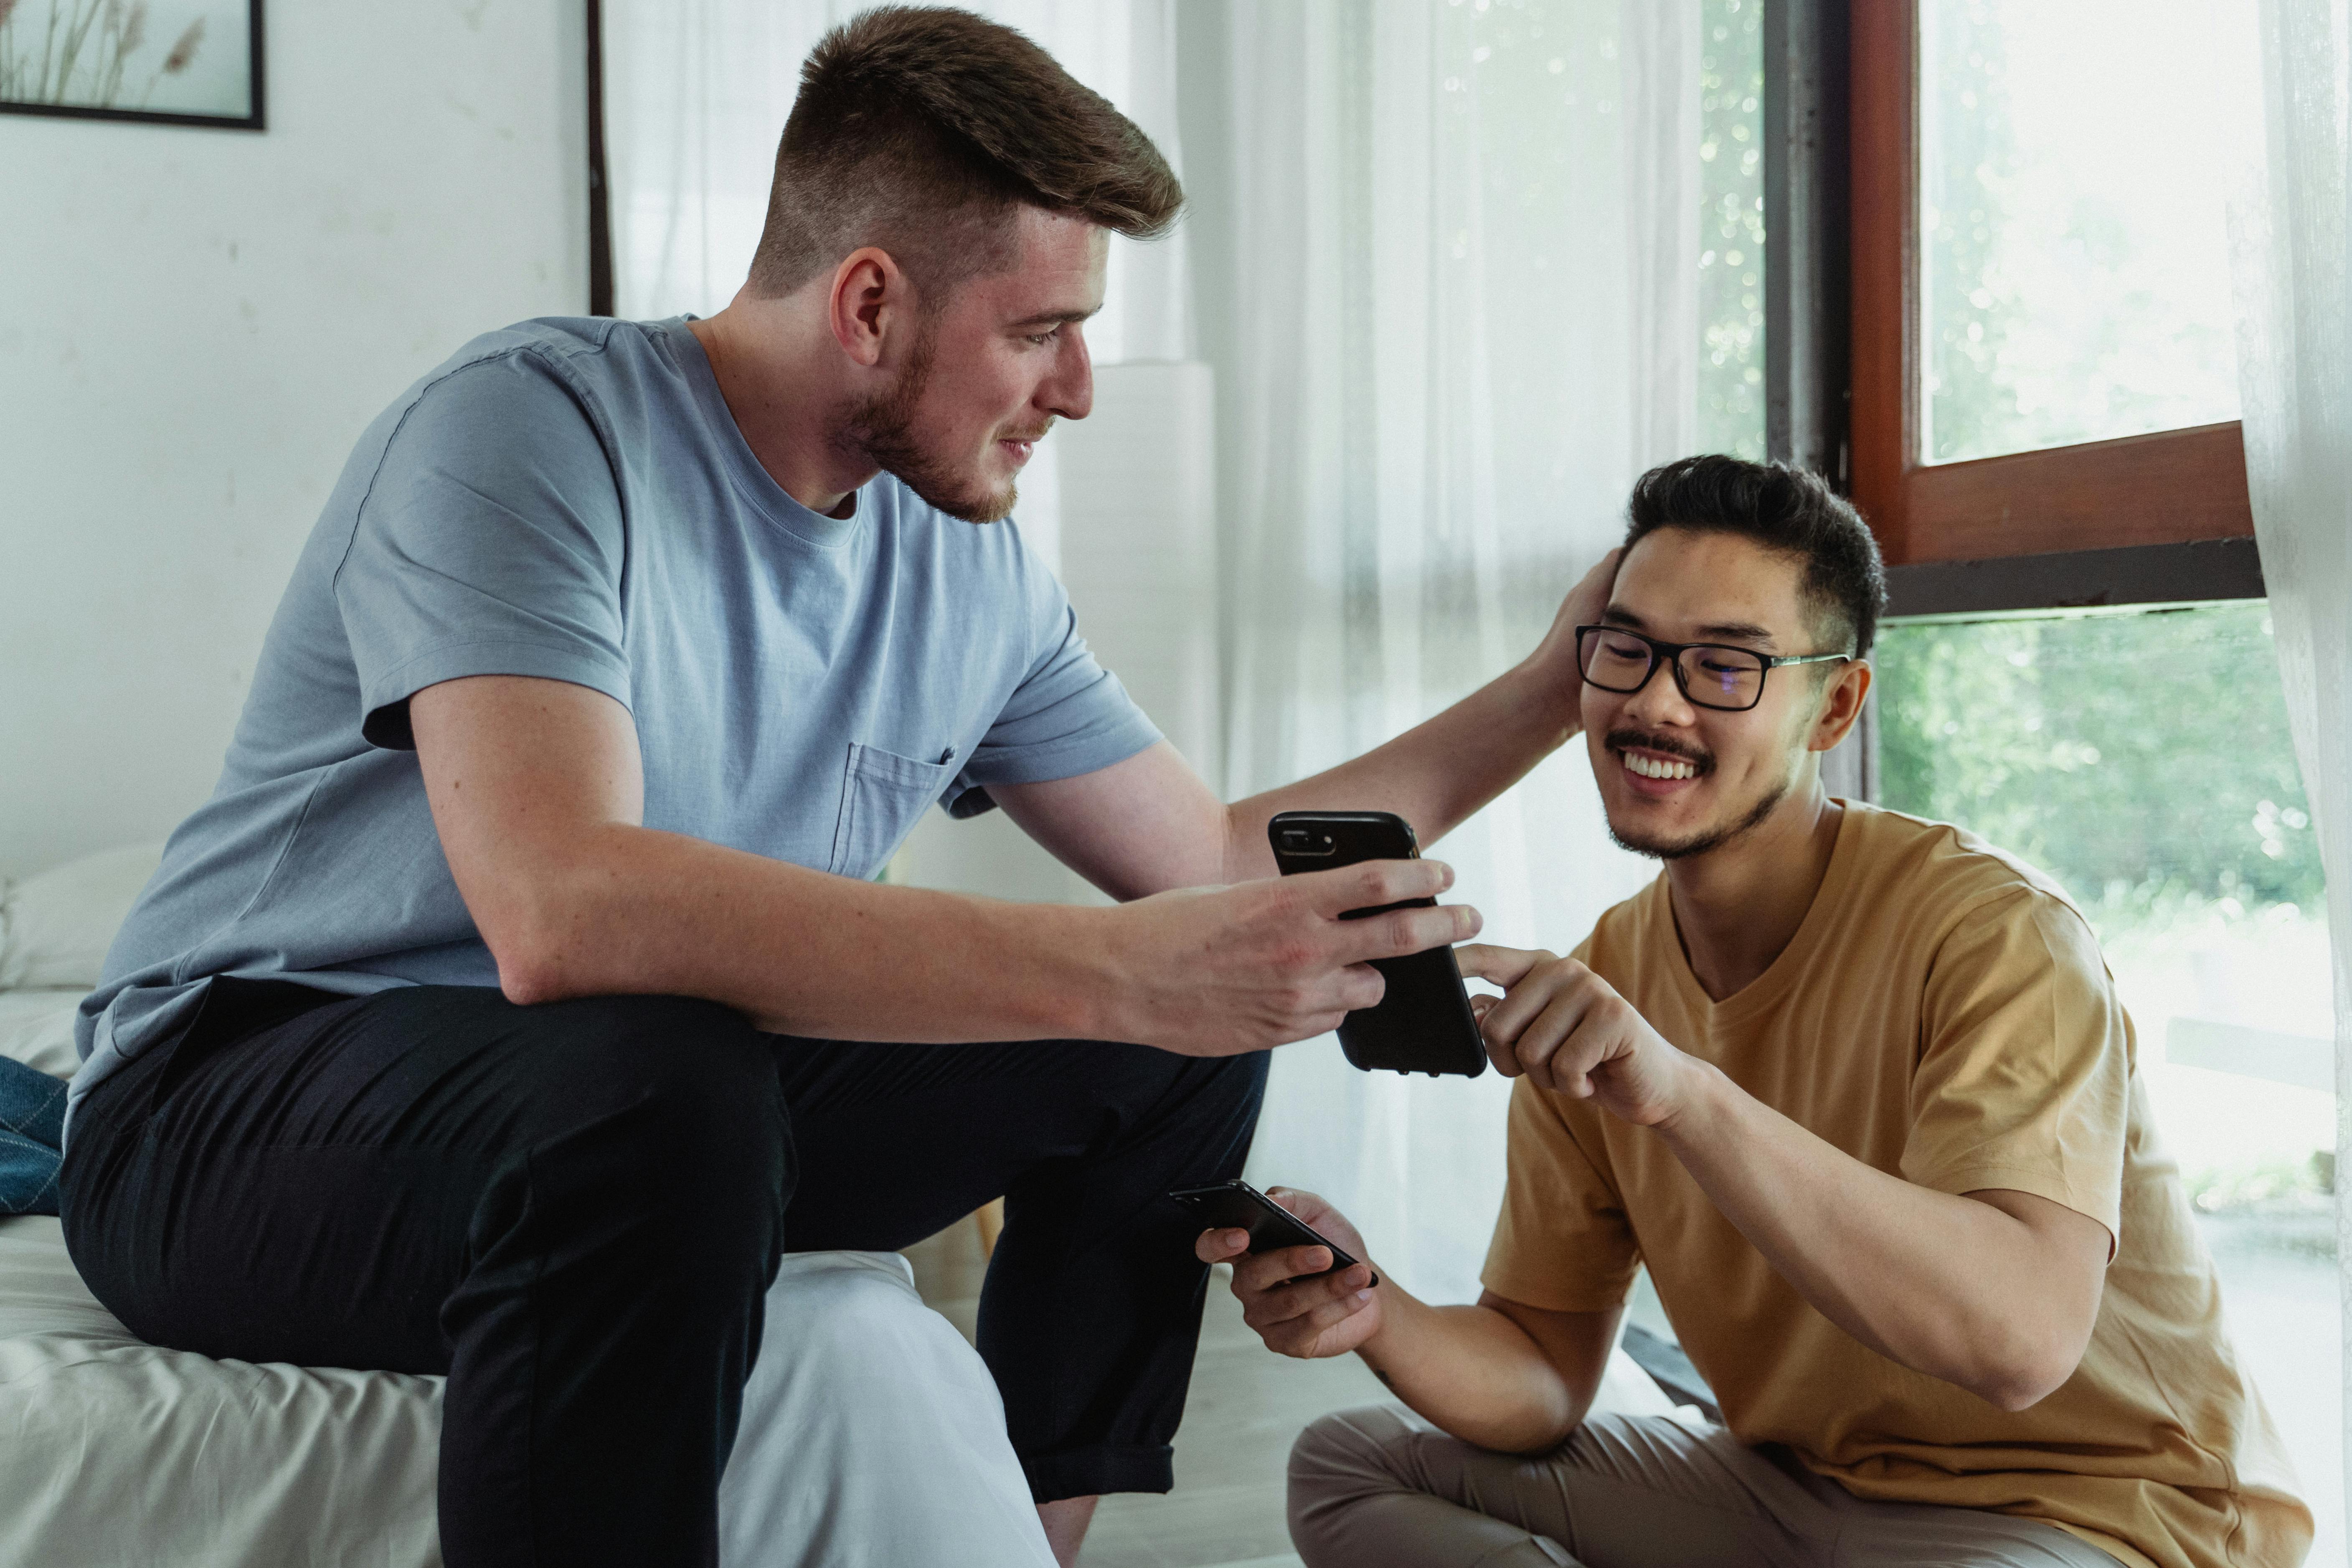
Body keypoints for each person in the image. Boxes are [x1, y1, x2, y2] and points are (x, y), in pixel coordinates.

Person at [59, 9, 1615, 1567]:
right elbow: (559, 910)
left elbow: (1208, 857)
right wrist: (1116, 963)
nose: (1077, 388)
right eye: (1040, 330)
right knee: (671, 1077)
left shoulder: (969, 564)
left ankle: (1028, 1536)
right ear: (870, 302)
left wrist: (1557, 684)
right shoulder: (531, 430)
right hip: (233, 1098)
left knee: (1179, 1034)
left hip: (651, 1102)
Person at [1203, 455, 2313, 1568]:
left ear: (1835, 703)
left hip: (2095, 1517)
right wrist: (1373, 1307)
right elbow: (1542, 1370)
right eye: (1626, 648)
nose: (1654, 701)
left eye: (1725, 666)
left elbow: (2018, 1340)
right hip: (1797, 1497)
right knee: (1352, 1465)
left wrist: (1681, 1092)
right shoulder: (1608, 975)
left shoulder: (1995, 936)